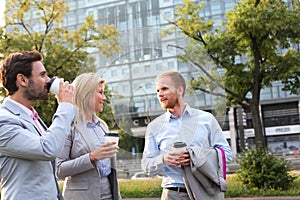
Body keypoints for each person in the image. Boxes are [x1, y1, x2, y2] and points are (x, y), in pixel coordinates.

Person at [141, 70, 233, 200]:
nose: (160, 94)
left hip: (205, 192)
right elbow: (146, 166)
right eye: (157, 91)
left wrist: (196, 156)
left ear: (180, 90)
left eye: (164, 89)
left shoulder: (206, 119)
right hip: (172, 193)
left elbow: (227, 155)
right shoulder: (154, 127)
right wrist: (164, 159)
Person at [0, 50, 75, 200]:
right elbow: (47, 149)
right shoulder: (3, 120)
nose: (48, 80)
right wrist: (65, 106)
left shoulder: (32, 117)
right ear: (22, 80)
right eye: (42, 75)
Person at [56, 73, 121, 200]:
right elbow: (59, 170)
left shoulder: (102, 126)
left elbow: (110, 169)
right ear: (87, 93)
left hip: (108, 193)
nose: (104, 98)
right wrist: (91, 157)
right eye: (100, 92)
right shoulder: (68, 126)